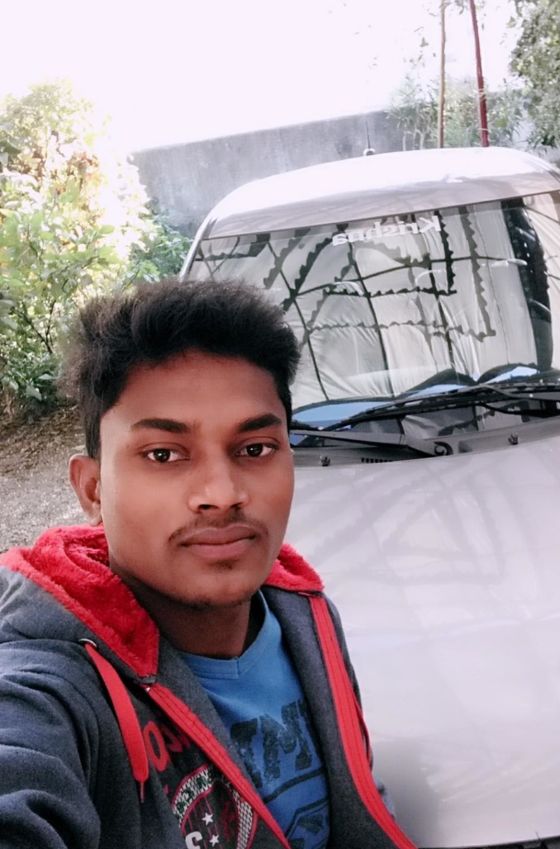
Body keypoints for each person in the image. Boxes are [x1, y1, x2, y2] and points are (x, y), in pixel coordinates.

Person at [0, 279, 416, 849]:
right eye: (164, 454)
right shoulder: (51, 689)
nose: (222, 494)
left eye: (255, 449)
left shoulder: (305, 614)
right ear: (93, 489)